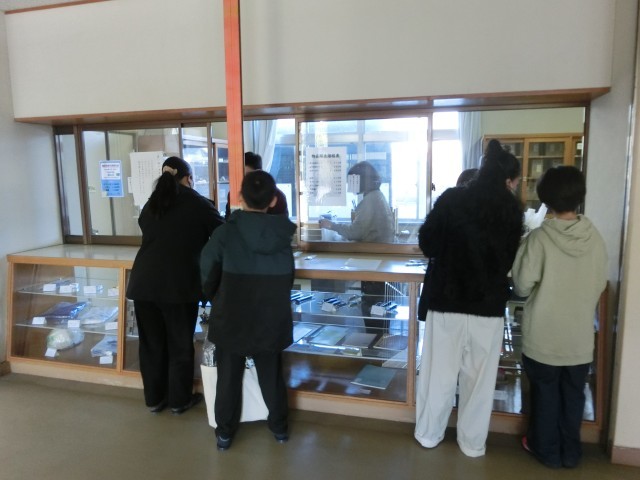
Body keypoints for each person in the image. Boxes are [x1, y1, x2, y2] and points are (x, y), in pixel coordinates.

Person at [414, 139, 523, 457]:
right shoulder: (512, 210)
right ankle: (472, 444)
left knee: (438, 375)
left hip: (447, 303)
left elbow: (427, 243)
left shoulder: (452, 198)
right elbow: (508, 260)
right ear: (508, 179)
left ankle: (429, 435)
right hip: (488, 307)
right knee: (480, 382)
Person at [511, 166, 607, 469]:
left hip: (544, 336)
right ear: (580, 197)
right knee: (574, 396)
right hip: (579, 337)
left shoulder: (539, 239)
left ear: (546, 199)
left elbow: (522, 285)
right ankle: (571, 453)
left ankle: (546, 451)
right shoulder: (595, 238)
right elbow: (600, 283)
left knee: (545, 395)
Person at [200, 170, 297, 451]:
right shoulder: (282, 236)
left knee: (228, 377)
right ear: (273, 200)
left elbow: (207, 272)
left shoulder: (224, 233)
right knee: (271, 374)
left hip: (231, 313)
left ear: (240, 197)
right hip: (271, 316)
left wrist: (215, 297)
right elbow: (288, 279)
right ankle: (279, 428)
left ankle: (224, 434)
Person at [126, 156, 225, 415]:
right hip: (178, 286)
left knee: (151, 345)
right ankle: (180, 400)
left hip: (144, 284)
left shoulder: (152, 204)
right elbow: (222, 234)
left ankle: (154, 399)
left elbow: (148, 229)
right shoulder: (198, 203)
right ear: (189, 178)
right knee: (179, 343)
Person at [319, 160, 394, 243]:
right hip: (380, 247)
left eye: (352, 181)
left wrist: (331, 225)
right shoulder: (377, 195)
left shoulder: (369, 201)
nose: (350, 185)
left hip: (372, 248)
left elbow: (354, 233)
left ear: (361, 181)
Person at [224, 151, 288, 219]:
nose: (243, 179)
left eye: (247, 175)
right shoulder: (233, 194)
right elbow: (228, 219)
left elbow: (281, 222)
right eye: (240, 175)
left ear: (259, 172)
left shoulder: (277, 196)